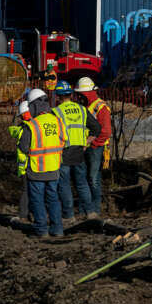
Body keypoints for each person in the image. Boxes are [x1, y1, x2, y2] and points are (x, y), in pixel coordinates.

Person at [18, 89, 65, 238]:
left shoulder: (32, 125)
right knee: (53, 199)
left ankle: (41, 230)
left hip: (37, 170)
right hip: (54, 169)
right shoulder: (57, 121)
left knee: (37, 200)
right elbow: (65, 141)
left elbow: (23, 148)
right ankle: (57, 230)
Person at [51, 80, 100, 222]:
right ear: (71, 95)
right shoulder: (82, 109)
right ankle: (90, 212)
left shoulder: (56, 112)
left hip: (63, 152)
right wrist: (86, 142)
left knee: (64, 184)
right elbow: (96, 128)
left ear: (58, 96)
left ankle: (68, 215)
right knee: (82, 183)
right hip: (79, 151)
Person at [75, 76, 111, 218]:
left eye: (80, 94)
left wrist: (92, 144)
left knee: (93, 178)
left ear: (86, 94)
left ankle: (94, 210)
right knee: (86, 178)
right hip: (87, 146)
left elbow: (106, 132)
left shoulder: (101, 107)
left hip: (96, 148)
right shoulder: (87, 106)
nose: (78, 97)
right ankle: (86, 209)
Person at [8, 100, 32, 224]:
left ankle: (25, 215)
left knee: (27, 191)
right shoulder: (28, 129)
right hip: (30, 165)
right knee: (29, 191)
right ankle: (24, 216)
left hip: (24, 166)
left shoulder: (20, 129)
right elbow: (25, 148)